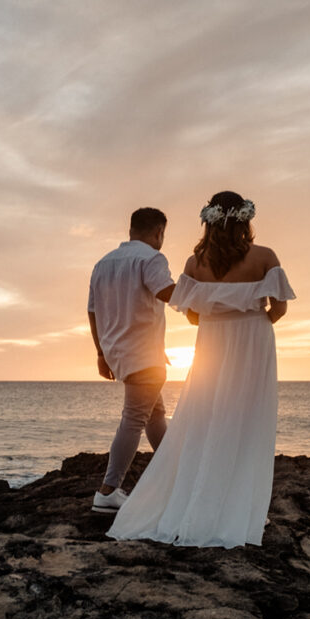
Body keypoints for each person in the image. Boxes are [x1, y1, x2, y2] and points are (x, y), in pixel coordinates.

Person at [106, 190, 295, 548]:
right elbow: (280, 309)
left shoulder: (195, 262)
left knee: (207, 419)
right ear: (245, 219)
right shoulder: (265, 256)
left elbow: (190, 312)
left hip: (211, 341)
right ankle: (238, 507)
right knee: (247, 420)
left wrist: (215, 319)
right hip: (254, 340)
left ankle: (197, 503)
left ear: (207, 221)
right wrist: (255, 323)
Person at [87, 207, 176, 513]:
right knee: (135, 418)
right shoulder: (151, 258)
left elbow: (92, 311)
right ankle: (108, 490)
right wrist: (206, 298)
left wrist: (100, 353)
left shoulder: (103, 263)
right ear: (158, 232)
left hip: (118, 351)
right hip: (144, 353)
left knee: (154, 414)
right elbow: (167, 292)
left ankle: (173, 474)